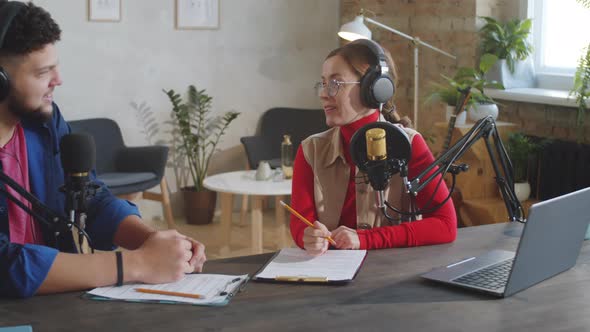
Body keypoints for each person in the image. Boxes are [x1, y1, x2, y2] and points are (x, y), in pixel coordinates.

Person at [0, 1, 206, 298]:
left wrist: (152, 241)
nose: (58, 80)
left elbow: (89, 197)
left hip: (58, 305)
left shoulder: (44, 122)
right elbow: (6, 265)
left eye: (56, 66)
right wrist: (135, 264)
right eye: (43, 72)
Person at [290, 39, 457, 255]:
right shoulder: (310, 150)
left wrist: (366, 239)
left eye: (335, 84)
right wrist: (308, 236)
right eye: (323, 83)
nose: (323, 93)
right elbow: (299, 224)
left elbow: (445, 225)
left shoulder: (410, 144)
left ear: (374, 89)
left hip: (390, 276)